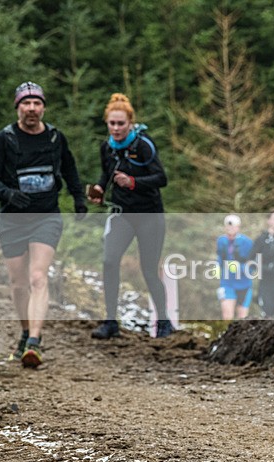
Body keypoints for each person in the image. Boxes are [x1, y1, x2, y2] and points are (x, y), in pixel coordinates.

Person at [0, 81, 87, 367]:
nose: (32, 108)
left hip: (46, 216)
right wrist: (7, 194)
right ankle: (25, 332)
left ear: (43, 108)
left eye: (37, 103)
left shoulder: (55, 138)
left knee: (38, 276)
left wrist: (79, 198)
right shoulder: (5, 139)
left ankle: (34, 342)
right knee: (18, 283)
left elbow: (70, 168)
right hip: (12, 218)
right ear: (18, 107)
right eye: (26, 103)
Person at [90, 93, 173, 340]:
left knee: (149, 270)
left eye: (121, 124)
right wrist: (100, 188)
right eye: (112, 124)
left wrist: (133, 182)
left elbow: (161, 178)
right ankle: (110, 321)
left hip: (149, 215)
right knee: (109, 261)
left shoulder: (143, 145)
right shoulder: (106, 147)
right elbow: (107, 173)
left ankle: (164, 321)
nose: (116, 129)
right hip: (122, 214)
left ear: (130, 123)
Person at [217, 214, 254, 320]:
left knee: (242, 317)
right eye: (228, 226)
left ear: (238, 227)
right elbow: (220, 258)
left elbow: (253, 265)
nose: (230, 229)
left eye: (233, 226)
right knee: (227, 316)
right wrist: (217, 267)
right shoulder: (221, 241)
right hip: (227, 283)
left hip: (244, 284)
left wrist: (240, 268)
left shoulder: (247, 242)